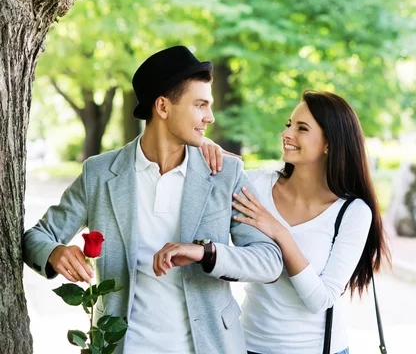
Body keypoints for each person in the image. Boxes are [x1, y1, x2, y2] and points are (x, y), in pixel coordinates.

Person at [23, 46, 283, 354]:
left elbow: (268, 260)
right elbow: (36, 237)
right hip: (124, 346)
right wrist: (55, 252)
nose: (210, 117)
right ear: (162, 107)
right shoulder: (100, 173)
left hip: (210, 346)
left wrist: (206, 253)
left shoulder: (224, 173)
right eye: (200, 105)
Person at [201, 90, 390, 354]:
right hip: (248, 345)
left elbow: (320, 299)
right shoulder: (255, 185)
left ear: (329, 143)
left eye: (302, 128)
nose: (287, 134)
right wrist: (206, 148)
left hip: (320, 350)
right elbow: (204, 179)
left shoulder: (353, 212)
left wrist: (280, 233)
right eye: (289, 125)